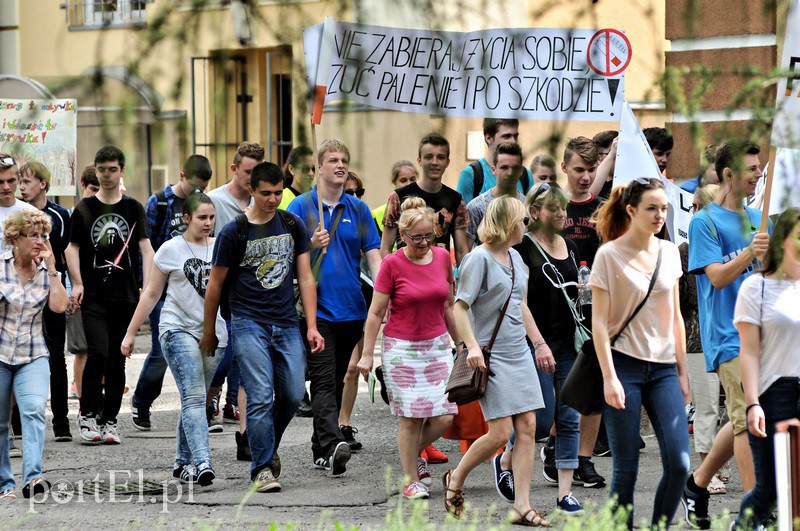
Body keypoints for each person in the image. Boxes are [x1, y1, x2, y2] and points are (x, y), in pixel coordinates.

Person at [202, 161, 324, 492]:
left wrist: (311, 326)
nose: (272, 199)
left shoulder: (291, 224)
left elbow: (305, 275)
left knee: (293, 392)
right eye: (266, 193)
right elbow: (214, 286)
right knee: (258, 394)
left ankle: (266, 447)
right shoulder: (234, 231)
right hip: (247, 322)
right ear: (252, 191)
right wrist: (209, 330)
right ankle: (261, 469)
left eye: (278, 193)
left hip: (285, 322)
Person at [590, 177, 690, 529]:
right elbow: (598, 324)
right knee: (626, 468)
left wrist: (682, 371)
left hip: (663, 369)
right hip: (623, 367)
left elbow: (675, 315)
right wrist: (609, 377)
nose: (659, 215)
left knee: (679, 463)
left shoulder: (668, 252)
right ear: (631, 210)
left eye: (664, 208)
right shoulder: (609, 255)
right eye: (651, 208)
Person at [443, 196, 548, 526]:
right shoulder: (479, 259)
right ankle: (456, 477)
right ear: (508, 223)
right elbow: (460, 307)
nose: (526, 227)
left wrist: (539, 344)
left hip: (519, 352)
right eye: (523, 220)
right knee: (501, 433)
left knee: (528, 427)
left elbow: (521, 305)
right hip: (492, 355)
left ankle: (522, 505)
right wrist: (471, 346)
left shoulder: (517, 257)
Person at [682, 141, 771, 529]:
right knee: (746, 422)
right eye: (750, 168)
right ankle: (755, 515)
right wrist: (751, 252)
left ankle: (696, 485)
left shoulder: (758, 217)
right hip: (728, 335)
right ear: (728, 174)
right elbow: (716, 277)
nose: (757, 174)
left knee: (742, 417)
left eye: (759, 167)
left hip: (764, 334)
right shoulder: (705, 221)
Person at [287, 139, 381, 478]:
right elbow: (287, 260)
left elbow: (374, 258)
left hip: (353, 310)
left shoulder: (358, 210)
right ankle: (331, 444)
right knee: (324, 380)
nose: (340, 165)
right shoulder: (300, 207)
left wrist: (389, 291)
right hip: (317, 311)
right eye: (333, 160)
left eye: (344, 160)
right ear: (319, 166)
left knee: (340, 378)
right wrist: (310, 244)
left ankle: (319, 448)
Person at [357, 196, 459, 499]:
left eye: (429, 235)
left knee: (444, 416)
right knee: (412, 417)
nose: (424, 242)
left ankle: (409, 455)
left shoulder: (442, 258)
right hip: (402, 350)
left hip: (438, 346)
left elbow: (449, 306)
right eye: (417, 238)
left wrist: (464, 344)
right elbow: (375, 313)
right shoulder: (391, 264)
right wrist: (366, 354)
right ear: (403, 236)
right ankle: (411, 478)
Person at [121, 193, 225, 486]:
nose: (208, 223)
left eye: (212, 217)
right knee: (193, 397)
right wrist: (131, 332)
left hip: (213, 334)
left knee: (196, 400)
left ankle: (182, 463)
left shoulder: (221, 248)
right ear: (187, 218)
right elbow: (152, 293)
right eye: (202, 218)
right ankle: (203, 461)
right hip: (176, 329)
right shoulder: (170, 249)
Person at [66, 145, 154, 445]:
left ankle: (111, 419)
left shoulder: (133, 208)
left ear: (121, 171)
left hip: (126, 296)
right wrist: (77, 283)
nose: (106, 175)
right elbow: (72, 249)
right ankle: (88, 414)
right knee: (98, 353)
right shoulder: (84, 209)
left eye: (112, 169)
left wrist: (150, 288)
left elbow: (145, 248)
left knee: (118, 358)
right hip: (93, 297)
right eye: (101, 169)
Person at [508, 182, 585, 515]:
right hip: (533, 342)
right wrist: (538, 343)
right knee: (539, 422)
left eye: (564, 208)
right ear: (535, 213)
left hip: (569, 342)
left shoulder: (569, 245)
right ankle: (506, 455)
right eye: (554, 208)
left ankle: (564, 493)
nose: (562, 213)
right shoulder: (522, 249)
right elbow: (519, 302)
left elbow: (578, 291)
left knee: (569, 417)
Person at [131, 155, 213, 432]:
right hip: (163, 287)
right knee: (160, 352)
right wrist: (147, 286)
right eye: (194, 186)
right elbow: (147, 245)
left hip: (193, 287)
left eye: (203, 188)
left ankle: (200, 405)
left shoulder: (203, 206)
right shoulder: (159, 202)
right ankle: (142, 401)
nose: (198, 192)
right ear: (181, 176)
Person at [732, 207, 800, 530]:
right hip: (773, 393)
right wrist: (753, 403)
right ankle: (741, 526)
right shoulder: (755, 288)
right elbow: (749, 353)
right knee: (770, 490)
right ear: (781, 241)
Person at [0, 209, 69, 499]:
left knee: (34, 411)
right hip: (0, 354)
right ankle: (5, 484)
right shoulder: (1, 267)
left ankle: (33, 477)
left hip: (33, 353)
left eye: (44, 236)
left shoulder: (47, 271)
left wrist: (52, 269)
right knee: (1, 422)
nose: (40, 241)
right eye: (33, 236)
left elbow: (59, 306)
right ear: (15, 239)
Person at [207, 141, 262, 454]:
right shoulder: (215, 200)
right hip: (220, 288)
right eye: (247, 172)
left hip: (250, 293)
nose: (251, 178)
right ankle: (210, 396)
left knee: (245, 356)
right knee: (224, 353)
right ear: (234, 169)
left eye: (257, 172)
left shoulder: (264, 203)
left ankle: (237, 414)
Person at [558, 137, 606, 486]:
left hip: (597, 309)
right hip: (557, 310)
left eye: (591, 170)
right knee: (560, 386)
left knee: (593, 386)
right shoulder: (552, 208)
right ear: (564, 169)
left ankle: (584, 459)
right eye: (579, 169)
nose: (585, 176)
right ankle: (560, 448)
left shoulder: (606, 209)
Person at [680, 185, 729, 495]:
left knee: (728, 408)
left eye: (701, 206)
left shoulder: (730, 245)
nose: (695, 213)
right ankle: (703, 470)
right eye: (692, 206)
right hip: (698, 340)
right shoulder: (685, 252)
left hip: (729, 336)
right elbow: (685, 303)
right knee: (708, 406)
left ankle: (716, 465)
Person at [18, 161, 72, 442]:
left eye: (26, 181)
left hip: (50, 288)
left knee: (55, 355)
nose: (21, 187)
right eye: (19, 182)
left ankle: (61, 423)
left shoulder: (60, 215)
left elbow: (67, 255)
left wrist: (71, 288)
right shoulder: (15, 213)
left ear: (42, 183)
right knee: (16, 354)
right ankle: (16, 425)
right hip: (21, 291)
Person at [381, 133, 470, 266]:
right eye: (429, 157)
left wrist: (463, 283)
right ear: (419, 160)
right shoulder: (398, 197)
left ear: (447, 162)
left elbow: (462, 251)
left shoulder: (456, 200)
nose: (435, 162)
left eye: (440, 157)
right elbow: (386, 249)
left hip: (439, 276)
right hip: (406, 276)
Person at [339, 170, 368, 451]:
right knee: (336, 370)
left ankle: (344, 423)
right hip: (329, 304)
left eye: (359, 192)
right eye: (349, 192)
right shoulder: (325, 218)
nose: (356, 197)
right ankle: (329, 423)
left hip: (359, 301)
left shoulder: (362, 217)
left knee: (352, 368)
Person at [66, 167, 100, 401]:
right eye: (93, 189)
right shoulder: (72, 216)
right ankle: (83, 399)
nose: (96, 195)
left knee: (102, 349)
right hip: (76, 293)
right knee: (82, 351)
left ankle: (98, 392)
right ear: (82, 185)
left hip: (102, 293)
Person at [456, 119, 533, 203]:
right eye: (506, 136)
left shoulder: (525, 175)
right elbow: (463, 214)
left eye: (515, 136)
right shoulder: (471, 174)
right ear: (488, 138)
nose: (513, 141)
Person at [466, 142, 526, 247]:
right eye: (504, 167)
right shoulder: (477, 207)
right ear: (493, 170)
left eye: (515, 168)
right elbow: (465, 251)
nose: (510, 173)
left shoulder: (528, 207)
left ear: (521, 171)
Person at [372, 160, 418, 236]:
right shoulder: (378, 213)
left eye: (412, 179)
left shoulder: (424, 209)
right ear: (394, 182)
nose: (409, 184)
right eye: (403, 180)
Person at [589, 130, 619, 199]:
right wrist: (611, 155)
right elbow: (589, 195)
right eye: (616, 153)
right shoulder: (588, 180)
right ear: (598, 158)